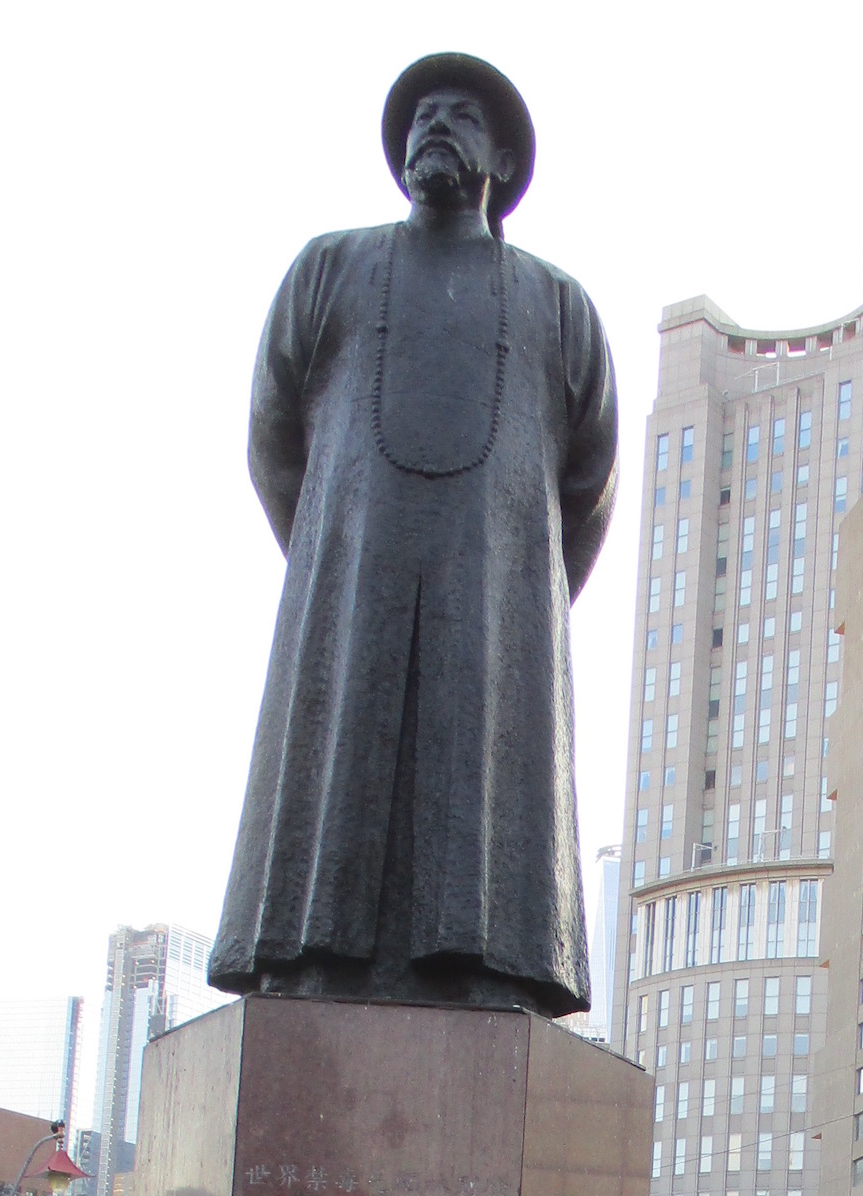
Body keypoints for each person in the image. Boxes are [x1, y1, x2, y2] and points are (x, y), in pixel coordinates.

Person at [207, 53, 617, 1019]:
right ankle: (311, 953)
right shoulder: (328, 269)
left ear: (505, 160)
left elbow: (589, 486)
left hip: (497, 606)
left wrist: (518, 599)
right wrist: (336, 558)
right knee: (332, 768)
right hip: (348, 592)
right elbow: (274, 447)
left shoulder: (560, 306)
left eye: (463, 117)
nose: (437, 126)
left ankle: (487, 959)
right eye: (423, 116)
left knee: (484, 794)